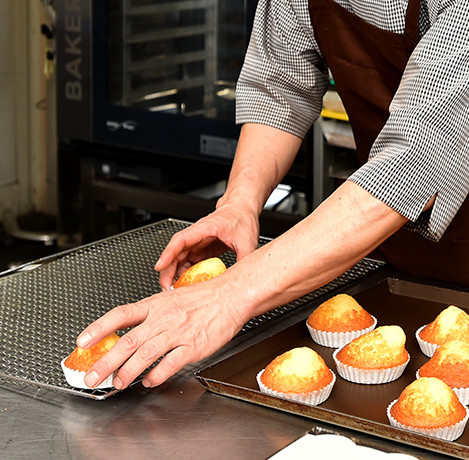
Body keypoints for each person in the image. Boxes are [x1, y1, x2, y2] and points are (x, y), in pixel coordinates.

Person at [76, 0, 468, 390]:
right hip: (391, 257)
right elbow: (279, 89)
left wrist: (230, 295)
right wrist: (238, 204)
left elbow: (415, 160)